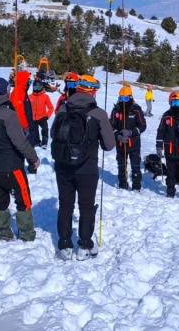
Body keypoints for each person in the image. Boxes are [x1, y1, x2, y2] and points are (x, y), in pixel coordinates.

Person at [50, 74, 115, 260]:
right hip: (87, 168)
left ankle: (64, 245)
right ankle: (85, 245)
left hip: (63, 166)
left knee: (65, 204)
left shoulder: (63, 108)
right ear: (92, 91)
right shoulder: (98, 113)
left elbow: (55, 134)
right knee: (86, 206)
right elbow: (109, 145)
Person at [0, 78, 39, 242]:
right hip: (11, 166)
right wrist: (33, 159)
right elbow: (20, 142)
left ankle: (3, 232)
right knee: (23, 198)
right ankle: (26, 234)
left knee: (0, 198)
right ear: (4, 92)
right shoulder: (7, 115)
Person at [110, 84, 147, 190]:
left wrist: (131, 132)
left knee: (135, 166)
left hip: (134, 144)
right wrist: (117, 136)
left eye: (125, 98)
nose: (123, 100)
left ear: (130, 97)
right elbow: (111, 126)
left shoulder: (136, 110)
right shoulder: (116, 110)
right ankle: (122, 184)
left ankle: (136, 186)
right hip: (120, 143)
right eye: (121, 98)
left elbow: (143, 126)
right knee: (121, 165)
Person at [29, 80, 54, 148]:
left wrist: (47, 116)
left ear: (41, 87)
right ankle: (37, 142)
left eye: (38, 87)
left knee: (45, 129)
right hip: (33, 118)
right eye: (35, 87)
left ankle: (44, 143)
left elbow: (51, 108)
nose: (36, 89)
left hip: (43, 117)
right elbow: (27, 108)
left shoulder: (45, 96)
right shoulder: (30, 97)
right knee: (35, 131)